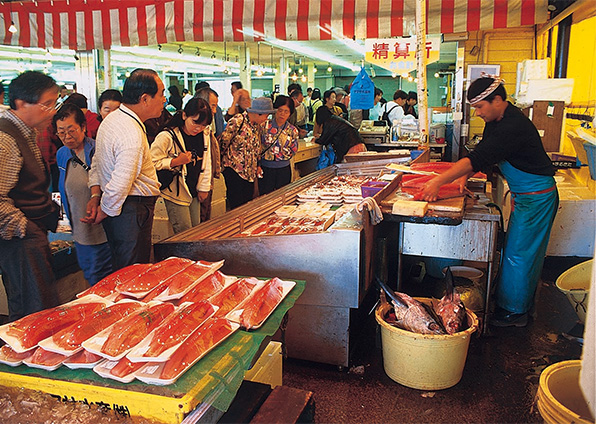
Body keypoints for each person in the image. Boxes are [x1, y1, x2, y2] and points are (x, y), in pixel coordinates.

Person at [419, 76, 558, 327]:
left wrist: (437, 182)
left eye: (481, 107)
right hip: (525, 197)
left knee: (520, 255)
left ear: (497, 100)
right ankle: (514, 303)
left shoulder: (512, 126)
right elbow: (484, 153)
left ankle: (514, 313)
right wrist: (465, 177)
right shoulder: (497, 122)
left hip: (537, 199)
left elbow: (476, 157)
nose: (478, 113)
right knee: (515, 251)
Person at [84, 68, 164, 271]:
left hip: (120, 207)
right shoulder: (131, 132)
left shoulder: (112, 119)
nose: (164, 100)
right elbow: (122, 180)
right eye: (161, 94)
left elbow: (98, 162)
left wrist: (96, 195)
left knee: (123, 266)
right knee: (133, 272)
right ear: (145, 98)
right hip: (131, 209)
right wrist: (104, 209)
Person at [0, 70, 60, 321]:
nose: (53, 111)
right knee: (32, 312)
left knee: (43, 306)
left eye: (55, 103)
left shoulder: (26, 132)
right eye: (47, 105)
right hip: (19, 240)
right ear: (21, 103)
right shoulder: (5, 139)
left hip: (31, 234)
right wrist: (26, 228)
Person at [54, 104, 112, 285]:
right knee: (88, 274)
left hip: (101, 228)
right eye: (61, 132)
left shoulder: (97, 152)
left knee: (101, 276)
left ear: (84, 127)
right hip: (79, 229)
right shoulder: (62, 154)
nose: (67, 137)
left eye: (71, 131)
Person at [151, 98, 214, 234]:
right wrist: (175, 162)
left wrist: (204, 187)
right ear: (184, 115)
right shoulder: (167, 136)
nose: (199, 128)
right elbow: (151, 163)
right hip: (176, 191)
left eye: (203, 125)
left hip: (193, 188)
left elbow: (206, 161)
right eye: (195, 122)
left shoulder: (204, 134)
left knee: (196, 230)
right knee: (184, 233)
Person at [219, 97, 273, 209]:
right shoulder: (238, 120)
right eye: (266, 116)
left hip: (249, 172)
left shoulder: (256, 126)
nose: (266, 119)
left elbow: (256, 148)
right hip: (234, 170)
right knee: (236, 206)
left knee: (247, 205)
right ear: (258, 113)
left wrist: (257, 165)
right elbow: (224, 141)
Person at [258, 95, 299, 195]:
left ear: (290, 114)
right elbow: (258, 147)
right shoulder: (264, 126)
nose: (282, 114)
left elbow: (294, 149)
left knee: (283, 197)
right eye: (280, 110)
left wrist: (281, 156)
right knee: (265, 197)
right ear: (275, 110)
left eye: (286, 111)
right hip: (266, 168)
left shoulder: (292, 130)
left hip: (283, 169)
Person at [193, 87, 222, 221]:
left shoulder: (207, 128)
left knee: (205, 214)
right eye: (213, 106)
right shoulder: (195, 130)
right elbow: (203, 159)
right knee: (199, 217)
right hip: (197, 184)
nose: (215, 111)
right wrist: (203, 186)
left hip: (207, 180)